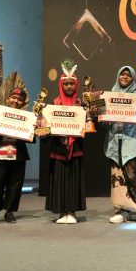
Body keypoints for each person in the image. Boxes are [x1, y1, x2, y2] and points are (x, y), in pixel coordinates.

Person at [102, 66, 136, 224]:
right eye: (122, 74)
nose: (124, 77)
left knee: (130, 175)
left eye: (128, 75)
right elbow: (103, 122)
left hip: (130, 140)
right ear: (118, 76)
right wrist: (100, 113)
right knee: (117, 177)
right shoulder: (109, 96)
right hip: (113, 140)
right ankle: (121, 211)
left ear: (133, 79)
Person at [0, 87, 34, 226]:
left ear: (23, 103)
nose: (16, 101)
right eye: (13, 98)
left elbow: (32, 137)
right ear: (8, 99)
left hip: (18, 155)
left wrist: (35, 127)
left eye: (19, 99)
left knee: (15, 185)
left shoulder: (27, 117)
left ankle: (9, 212)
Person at [44, 63, 86, 224]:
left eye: (72, 83)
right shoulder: (54, 103)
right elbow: (47, 125)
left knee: (73, 179)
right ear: (61, 85)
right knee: (59, 179)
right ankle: (62, 212)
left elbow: (87, 124)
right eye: (66, 84)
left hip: (76, 147)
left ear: (76, 85)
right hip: (58, 147)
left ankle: (72, 212)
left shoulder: (81, 104)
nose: (69, 86)